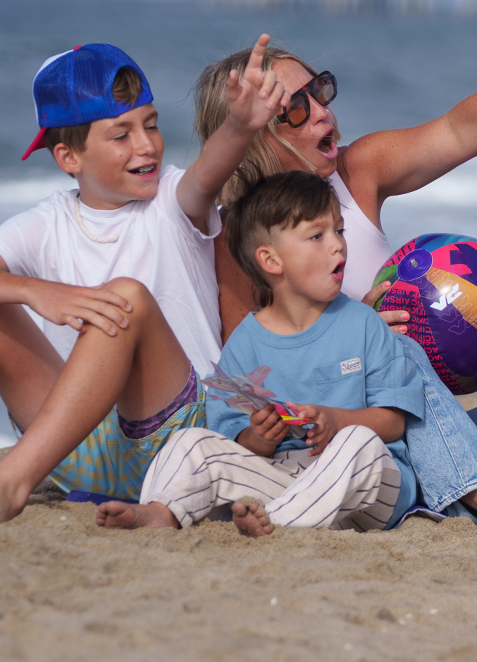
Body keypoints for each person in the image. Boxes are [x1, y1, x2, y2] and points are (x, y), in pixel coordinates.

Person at [0, 36, 294, 523]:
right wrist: (38, 292)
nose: (146, 145)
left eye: (152, 125)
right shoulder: (47, 223)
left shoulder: (171, 201)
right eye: (120, 135)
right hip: (73, 447)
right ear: (68, 158)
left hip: (177, 443)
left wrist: (241, 124)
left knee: (124, 298)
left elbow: (211, 170)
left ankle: (10, 484)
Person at [191, 40, 477, 532]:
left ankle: (452, 491)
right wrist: (351, 328)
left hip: (429, 428)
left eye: (321, 91)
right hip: (351, 446)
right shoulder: (244, 240)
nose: (323, 113)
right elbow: (249, 389)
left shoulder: (355, 172)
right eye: (297, 110)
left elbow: (457, 130)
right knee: (399, 347)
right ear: (252, 133)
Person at [99, 172, 425, 534]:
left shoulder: (364, 323)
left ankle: (281, 524)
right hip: (288, 483)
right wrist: (260, 438)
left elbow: (394, 422)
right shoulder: (244, 344)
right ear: (271, 261)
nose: (338, 245)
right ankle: (162, 512)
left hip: (369, 489)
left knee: (357, 441)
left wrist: (336, 421)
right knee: (190, 441)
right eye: (317, 236)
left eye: (339, 231)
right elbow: (232, 439)